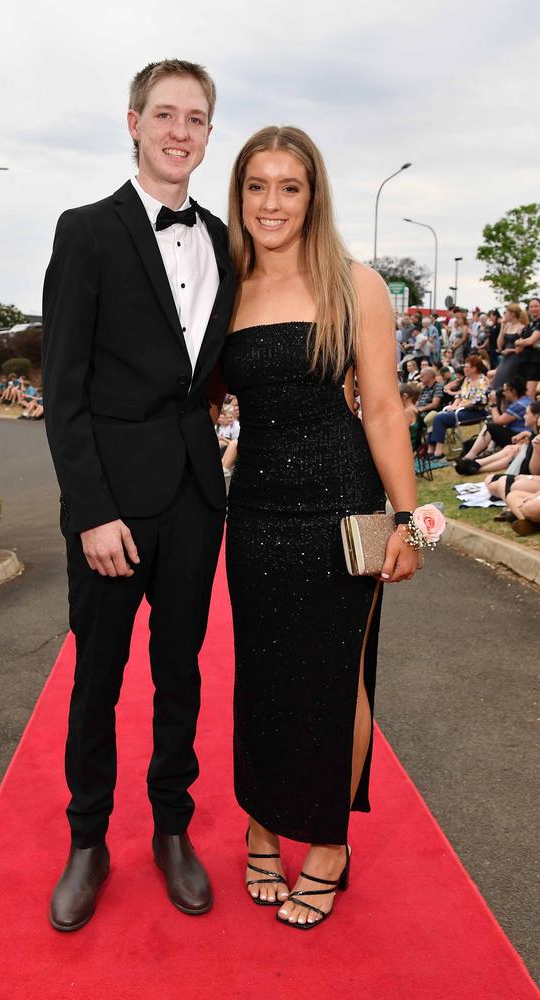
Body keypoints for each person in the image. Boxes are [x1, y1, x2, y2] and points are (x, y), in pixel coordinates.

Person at [42, 59, 235, 932]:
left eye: (196, 118)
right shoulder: (85, 231)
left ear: (207, 131)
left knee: (180, 672)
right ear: (133, 121)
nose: (180, 132)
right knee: (98, 677)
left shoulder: (227, 240)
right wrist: (89, 510)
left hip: (198, 495)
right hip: (112, 506)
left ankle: (171, 830)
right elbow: (65, 388)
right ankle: (88, 841)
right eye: (165, 114)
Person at [220, 126, 420, 930]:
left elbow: (382, 409)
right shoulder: (224, 289)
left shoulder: (353, 283)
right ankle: (263, 824)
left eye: (289, 186)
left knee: (342, 677)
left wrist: (407, 520)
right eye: (257, 186)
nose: (272, 203)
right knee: (263, 675)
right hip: (257, 510)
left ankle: (329, 846)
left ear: (313, 195)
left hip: (346, 508)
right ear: (240, 196)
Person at [455, 376, 531, 473]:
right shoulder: (523, 400)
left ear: (513, 391)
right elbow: (505, 416)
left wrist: (493, 404)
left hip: (518, 437)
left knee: (490, 427)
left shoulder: (519, 405)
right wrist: (503, 401)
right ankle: (472, 460)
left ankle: (470, 458)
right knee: (480, 436)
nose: (503, 393)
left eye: (505, 391)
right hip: (516, 435)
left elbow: (498, 421)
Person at [427, 355, 489, 459]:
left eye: (466, 367)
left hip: (476, 411)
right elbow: (460, 395)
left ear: (474, 369)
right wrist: (454, 405)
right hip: (462, 410)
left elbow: (478, 400)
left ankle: (438, 452)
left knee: (439, 418)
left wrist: (460, 406)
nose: (464, 369)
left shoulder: (482, 381)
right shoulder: (467, 380)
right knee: (436, 416)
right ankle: (430, 450)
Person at [491, 303, 526, 390]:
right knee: (498, 380)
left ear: (512, 314)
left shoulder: (521, 328)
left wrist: (509, 350)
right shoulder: (507, 326)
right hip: (505, 358)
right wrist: (502, 327)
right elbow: (499, 345)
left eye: (505, 312)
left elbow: (521, 348)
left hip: (515, 358)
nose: (504, 315)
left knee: (506, 381)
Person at [514, 296, 540, 399]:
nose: (533, 308)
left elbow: (531, 341)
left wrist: (519, 342)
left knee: (530, 394)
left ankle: (532, 414)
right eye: (531, 306)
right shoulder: (528, 326)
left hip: (535, 362)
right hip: (524, 361)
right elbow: (518, 349)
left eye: (536, 306)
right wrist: (521, 343)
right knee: (522, 393)